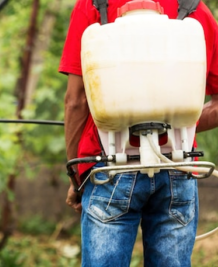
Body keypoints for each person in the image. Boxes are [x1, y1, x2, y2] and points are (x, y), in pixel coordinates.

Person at [59, 0, 218, 266]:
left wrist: (76, 174)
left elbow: (76, 101)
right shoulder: (192, 7)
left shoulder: (94, 5)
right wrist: (173, 122)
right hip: (177, 166)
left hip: (108, 168)